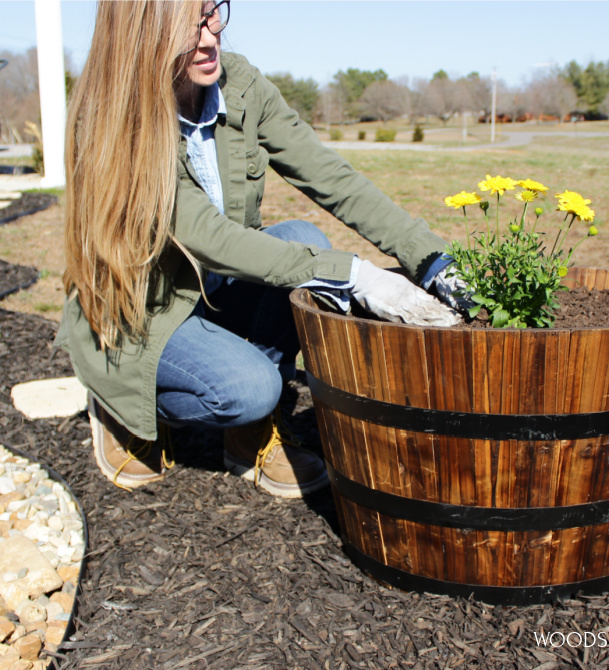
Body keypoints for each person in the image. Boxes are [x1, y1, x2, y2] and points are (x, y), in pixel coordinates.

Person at [56, 0, 463, 497]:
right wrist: (354, 274)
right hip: (146, 309)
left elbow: (329, 176)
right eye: (186, 27)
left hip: (212, 287)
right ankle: (124, 401)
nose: (209, 38)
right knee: (252, 388)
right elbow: (204, 234)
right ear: (141, 34)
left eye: (210, 13)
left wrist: (430, 258)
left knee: (304, 240)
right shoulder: (119, 120)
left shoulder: (239, 84)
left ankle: (247, 433)